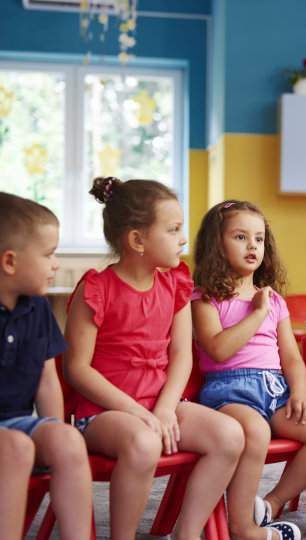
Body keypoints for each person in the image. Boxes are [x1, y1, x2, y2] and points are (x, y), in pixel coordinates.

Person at [63, 178, 244, 540]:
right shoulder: (96, 288)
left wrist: (162, 409)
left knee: (229, 435)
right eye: (174, 229)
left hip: (161, 404)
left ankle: (187, 533)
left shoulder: (175, 284)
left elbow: (180, 357)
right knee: (144, 441)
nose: (183, 239)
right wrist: (138, 413)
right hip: (105, 413)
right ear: (137, 240)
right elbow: (77, 368)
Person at [191, 200, 306, 540]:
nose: (252, 246)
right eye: (241, 237)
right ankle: (242, 527)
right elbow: (217, 347)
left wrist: (300, 394)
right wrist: (256, 315)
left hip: (276, 392)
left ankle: (270, 504)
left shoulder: (273, 300)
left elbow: (291, 358)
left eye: (258, 239)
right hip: (229, 393)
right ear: (217, 244)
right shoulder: (204, 298)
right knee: (255, 432)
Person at [0, 192, 92, 540]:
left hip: (17, 422)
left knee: (68, 440)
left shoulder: (37, 306)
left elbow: (47, 380)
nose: (56, 264)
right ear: (10, 261)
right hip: (8, 439)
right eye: (49, 255)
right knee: (16, 448)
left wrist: (53, 428)